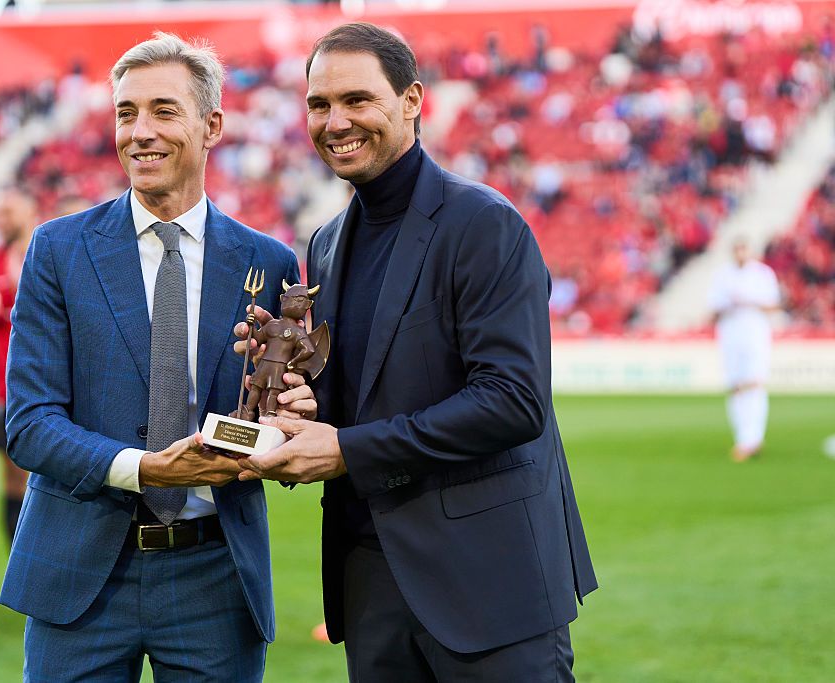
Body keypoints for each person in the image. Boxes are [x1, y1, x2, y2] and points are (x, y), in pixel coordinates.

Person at [235, 23, 597, 681]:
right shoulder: (326, 242)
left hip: (490, 583)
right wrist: (297, 402)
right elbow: (369, 399)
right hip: (373, 583)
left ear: (412, 101)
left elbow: (513, 402)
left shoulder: (484, 224)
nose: (335, 120)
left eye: (357, 99)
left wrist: (344, 448)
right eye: (319, 104)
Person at [0, 32, 313, 682]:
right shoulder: (58, 250)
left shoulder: (269, 262)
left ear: (211, 125)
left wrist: (290, 419)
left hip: (215, 575)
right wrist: (143, 468)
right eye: (125, 113)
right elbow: (28, 423)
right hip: (80, 572)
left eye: (163, 111)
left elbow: (271, 408)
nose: (140, 132)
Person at [0, 188, 38, 545]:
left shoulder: (52, 256)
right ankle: (19, 557)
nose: (0, 219)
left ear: (28, 211)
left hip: (60, 387)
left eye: (8, 211)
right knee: (14, 479)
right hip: (5, 389)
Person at [709, 238, 781, 461]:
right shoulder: (722, 275)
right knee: (736, 386)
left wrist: (750, 301)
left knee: (755, 383)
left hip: (755, 335)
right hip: (731, 336)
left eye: (744, 248)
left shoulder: (762, 274)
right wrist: (729, 304)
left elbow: (774, 304)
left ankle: (753, 438)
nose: (740, 253)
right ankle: (743, 437)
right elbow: (713, 310)